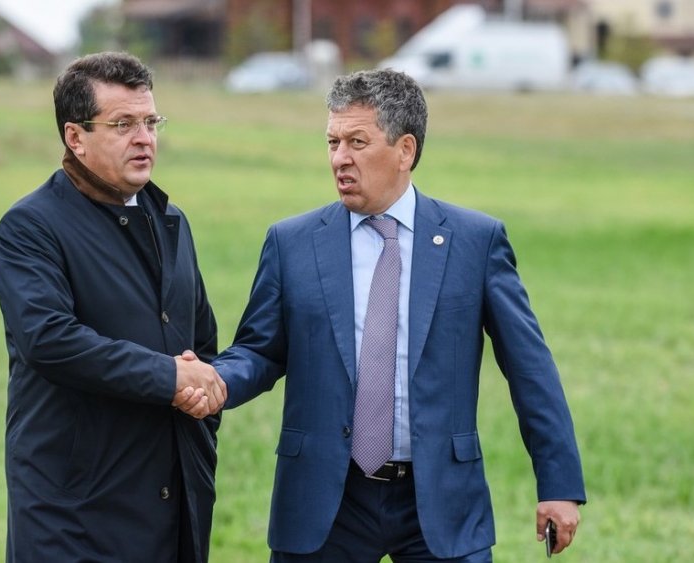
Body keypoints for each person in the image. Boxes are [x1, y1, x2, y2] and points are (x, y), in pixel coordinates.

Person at [208, 69, 586, 561]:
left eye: (357, 142)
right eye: (332, 142)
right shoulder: (291, 243)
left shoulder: (475, 242)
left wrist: (559, 484)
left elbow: (529, 367)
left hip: (441, 501)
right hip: (326, 502)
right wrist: (212, 382)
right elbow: (259, 351)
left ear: (405, 150)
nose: (339, 158)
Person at [0, 52, 226, 562]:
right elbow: (50, 340)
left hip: (174, 506)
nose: (144, 138)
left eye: (151, 122)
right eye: (123, 125)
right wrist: (170, 377)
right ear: (75, 137)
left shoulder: (172, 221)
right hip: (73, 518)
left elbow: (201, 341)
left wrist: (201, 417)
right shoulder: (30, 227)